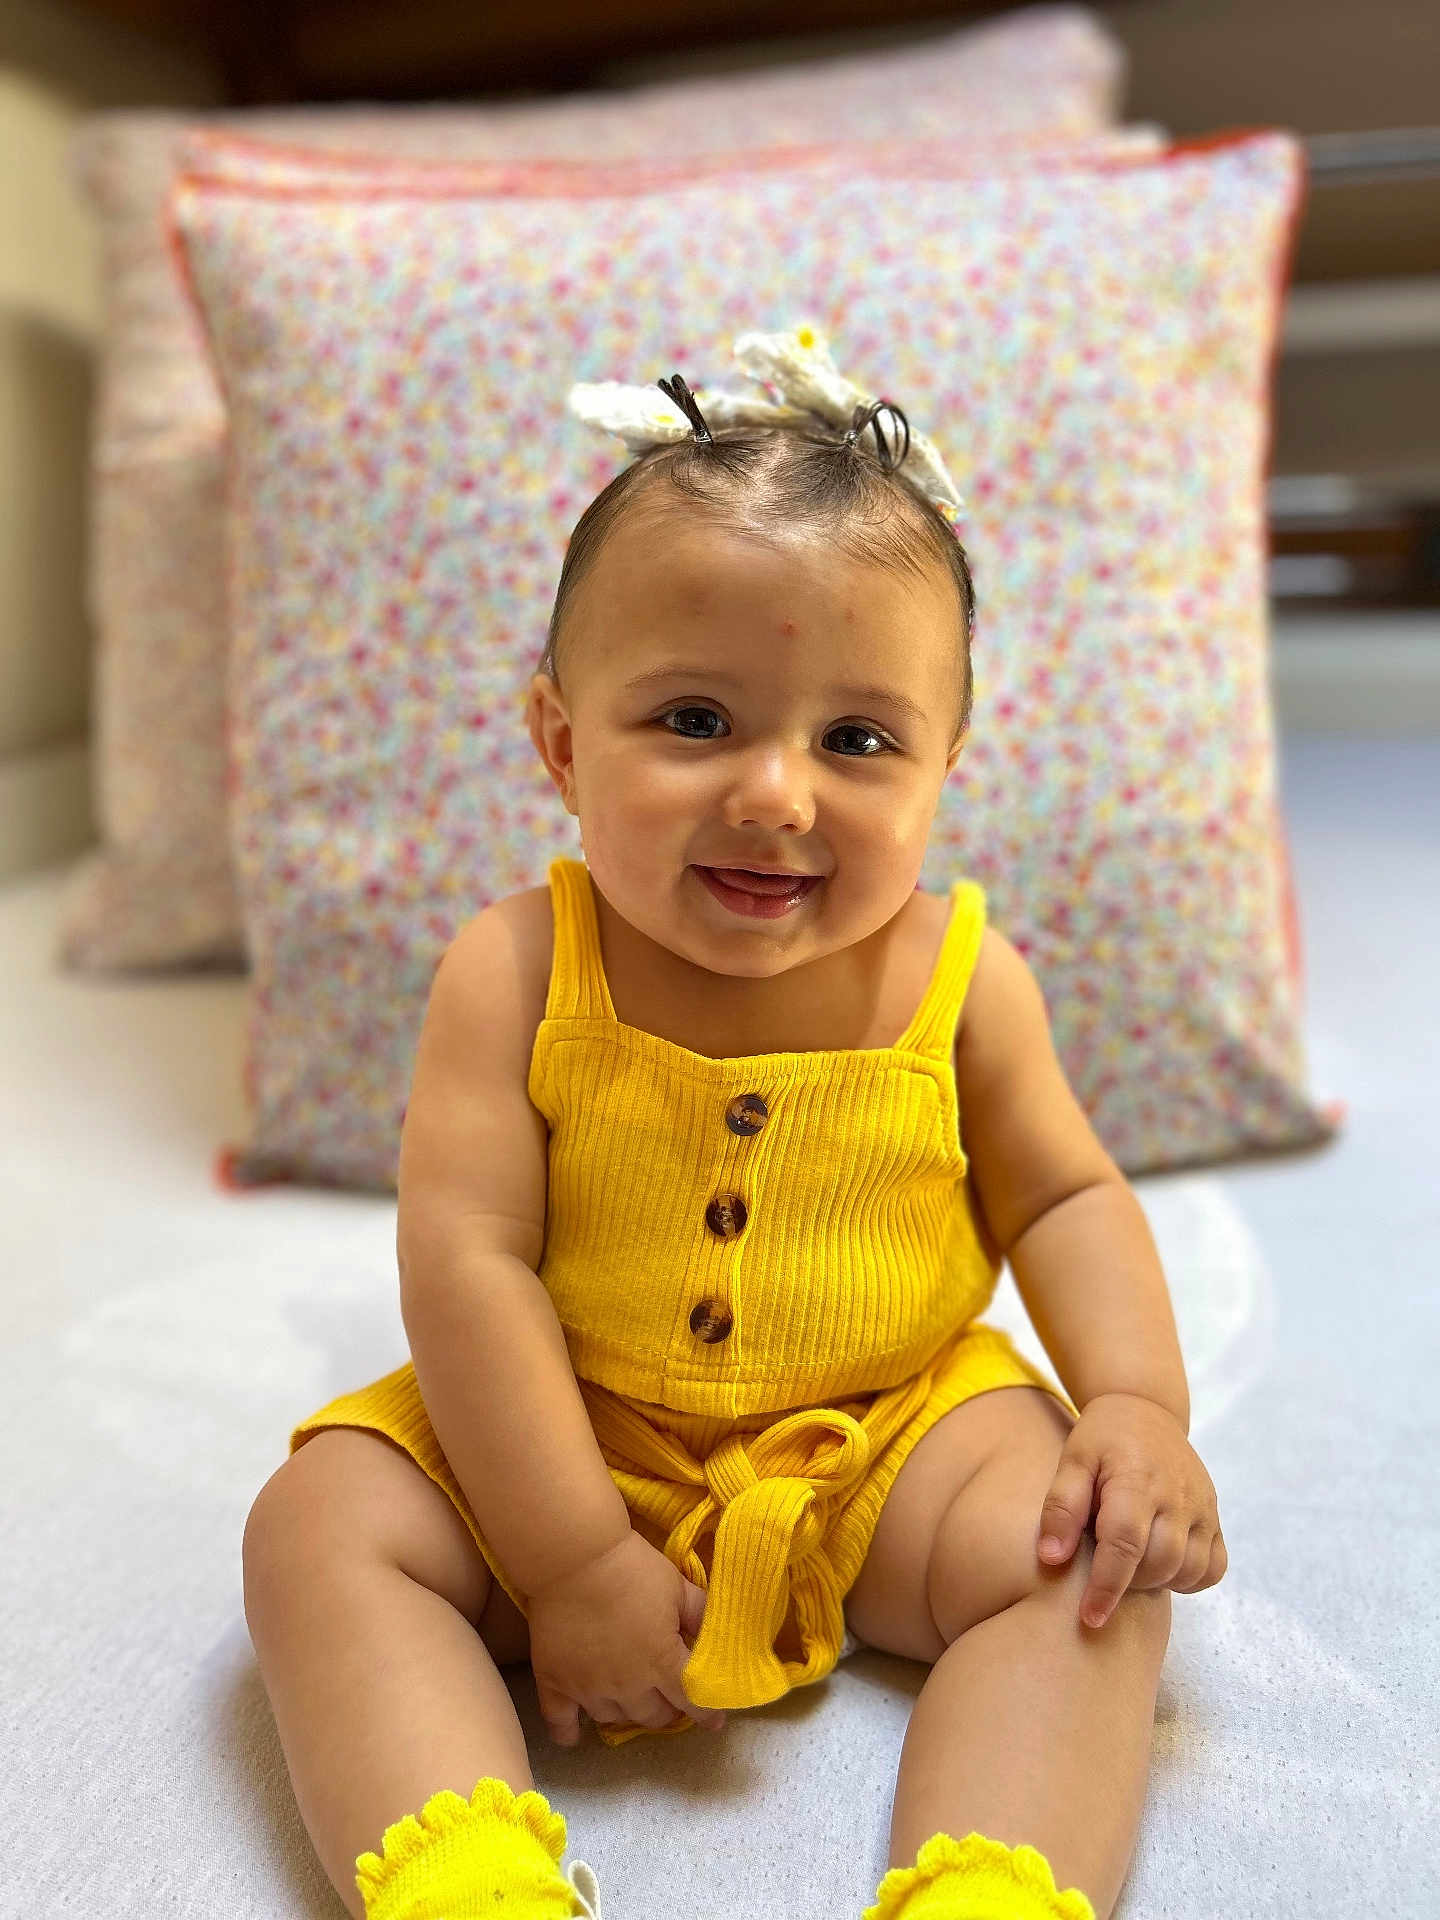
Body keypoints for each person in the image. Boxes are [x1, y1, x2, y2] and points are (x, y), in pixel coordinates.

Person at [240, 324, 1227, 1920]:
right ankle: (465, 1880)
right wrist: (564, 1559)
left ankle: (990, 1891)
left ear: (944, 768)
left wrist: (1137, 1405)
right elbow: (469, 1262)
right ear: (561, 740)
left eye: (858, 740)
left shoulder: (968, 982)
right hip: (570, 1428)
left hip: (893, 1437)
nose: (778, 793)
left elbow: (1063, 1200)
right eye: (695, 722)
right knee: (316, 1527)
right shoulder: (512, 970)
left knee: (1084, 1567)